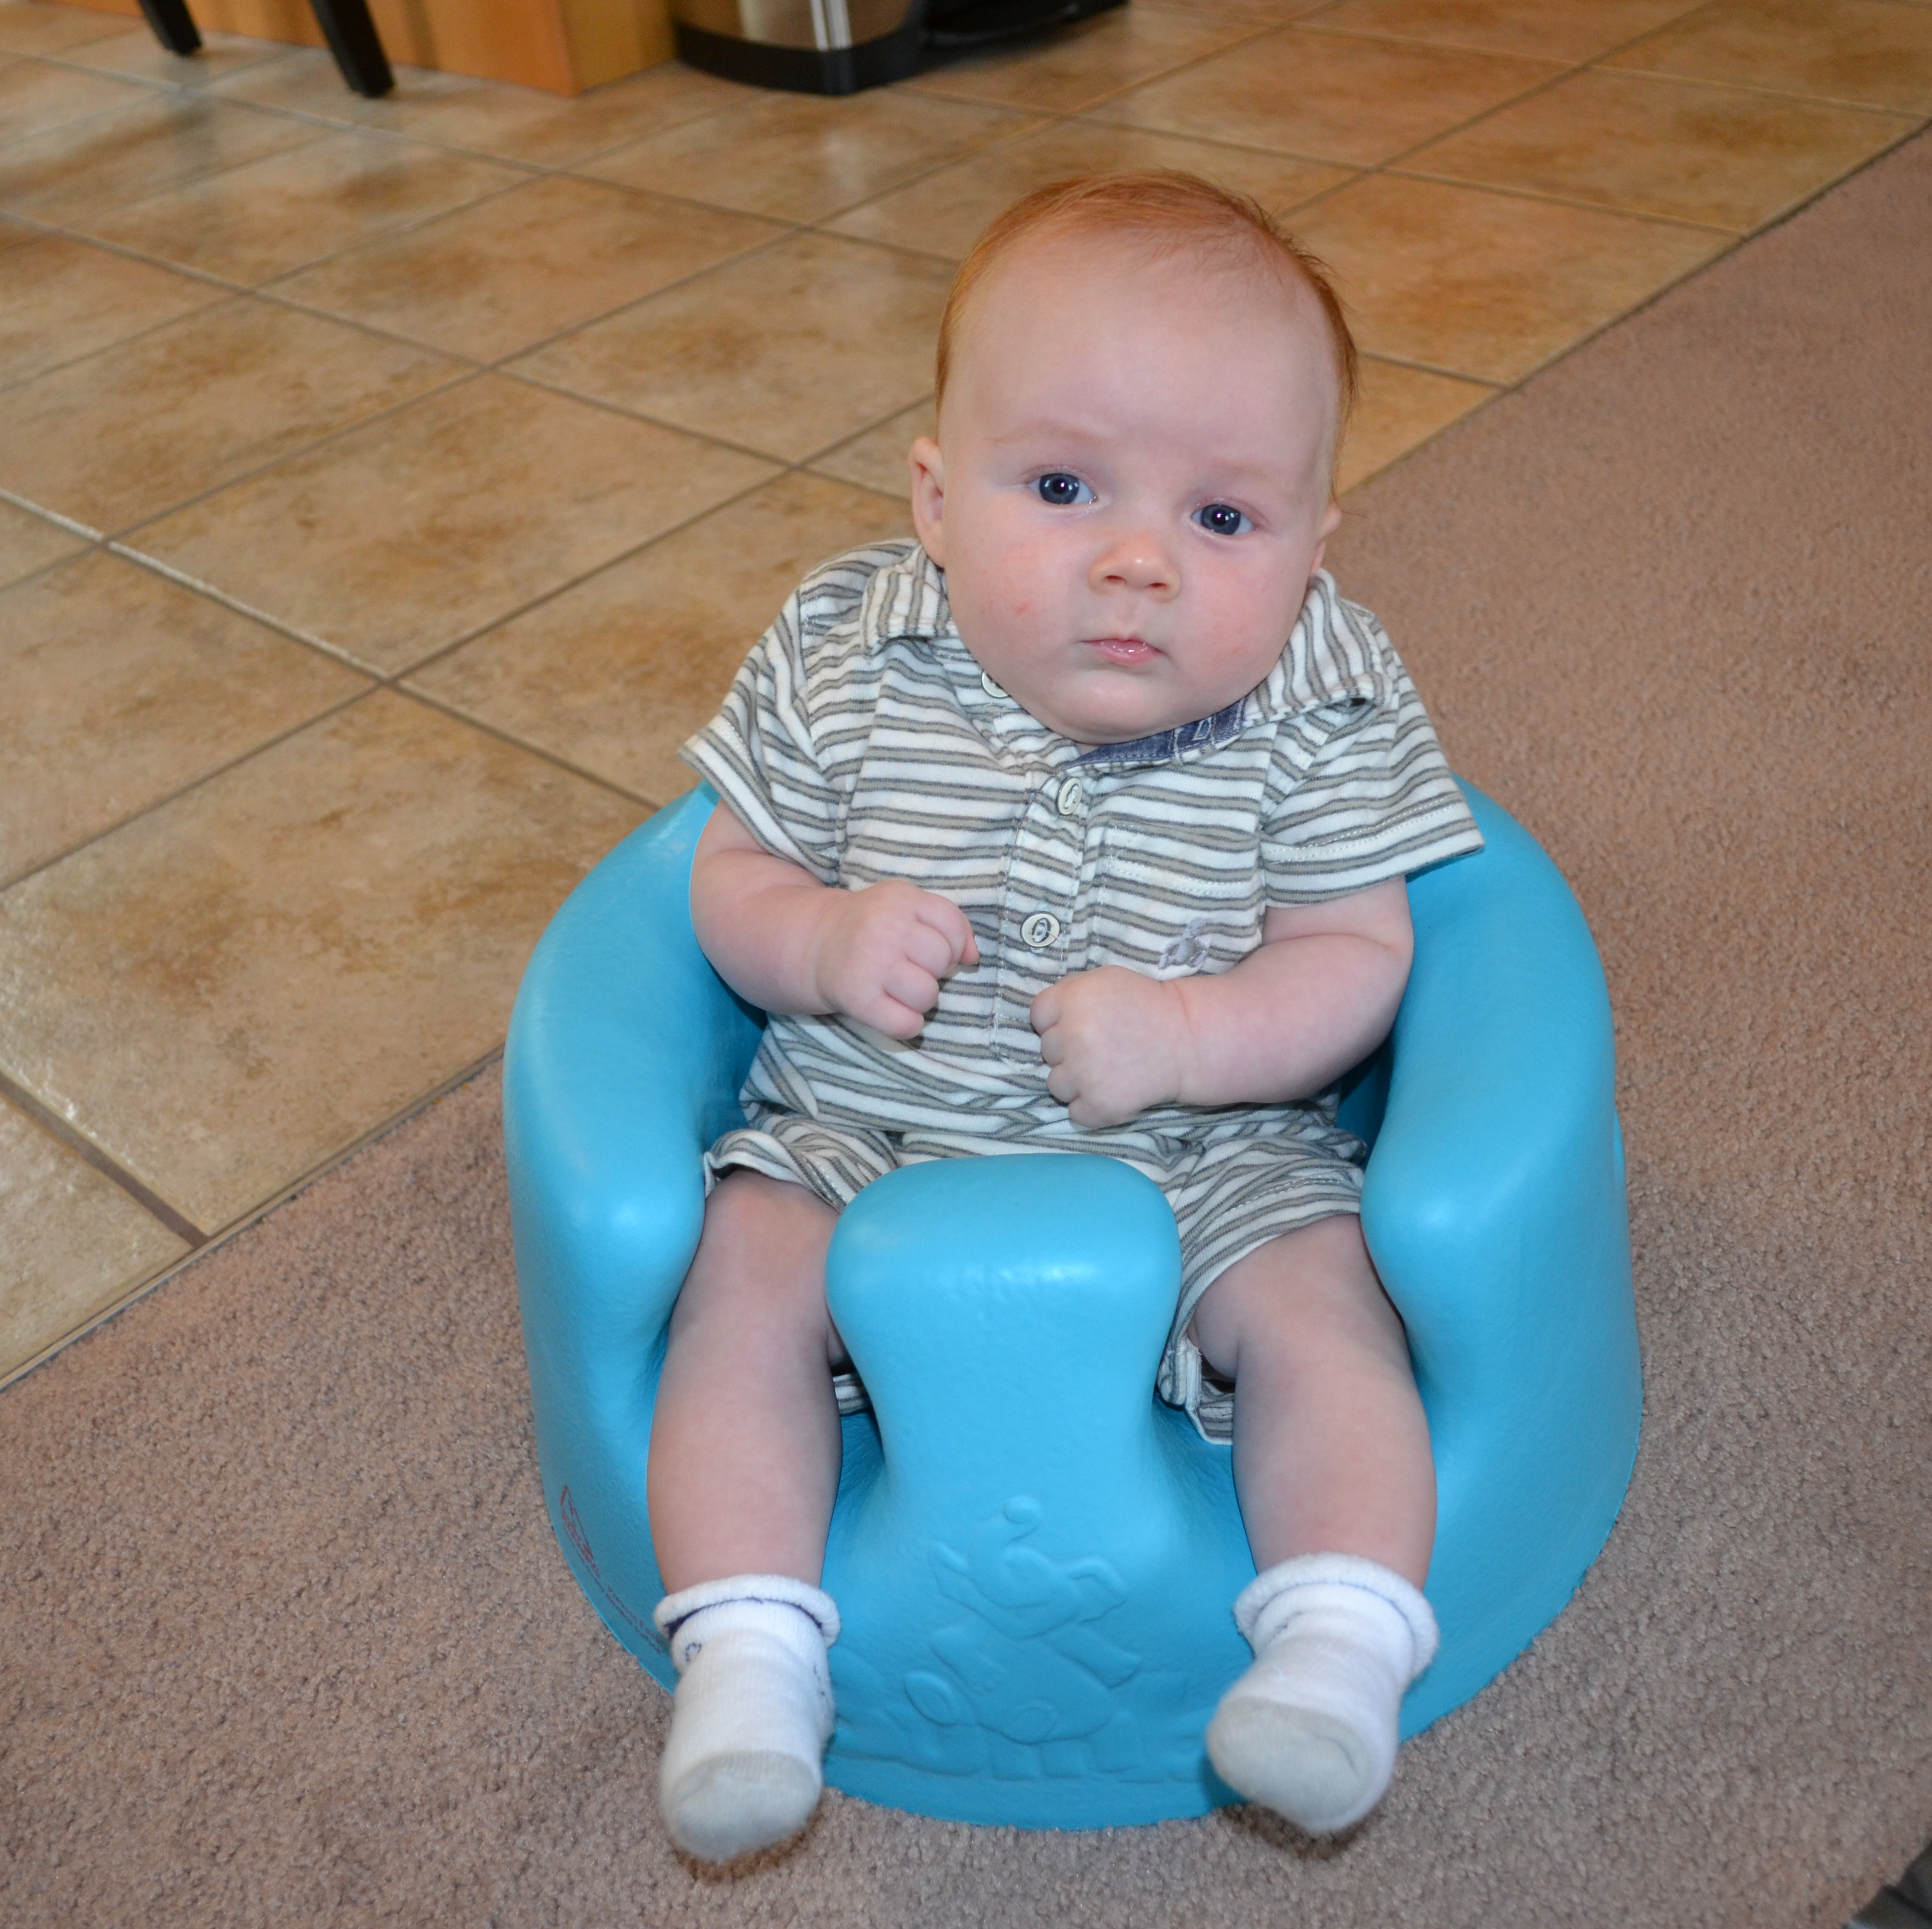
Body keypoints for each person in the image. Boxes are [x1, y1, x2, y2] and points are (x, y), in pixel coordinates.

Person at [646, 170, 1483, 1863]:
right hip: (868, 1125)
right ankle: (748, 1653)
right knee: (739, 1286)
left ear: (1320, 546)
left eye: (1224, 522)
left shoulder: (1326, 696)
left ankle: (1338, 1644)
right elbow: (724, 874)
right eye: (1061, 485)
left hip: (1205, 1146)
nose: (1135, 565)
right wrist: (819, 942)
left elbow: (1352, 954)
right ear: (935, 499)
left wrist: (1191, 1038)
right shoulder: (844, 647)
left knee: (1328, 1314)